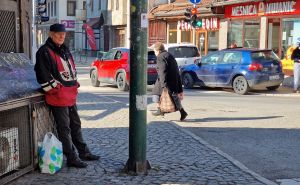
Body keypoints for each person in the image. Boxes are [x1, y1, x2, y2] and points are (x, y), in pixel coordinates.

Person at [34, 23, 100, 168]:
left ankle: (83, 152)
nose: (61, 37)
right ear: (51, 34)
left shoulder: (64, 50)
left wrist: (74, 84)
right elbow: (43, 75)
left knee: (76, 124)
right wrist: (57, 90)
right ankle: (71, 157)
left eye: (63, 34)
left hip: (69, 95)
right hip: (58, 97)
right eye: (58, 34)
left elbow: (71, 70)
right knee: (64, 128)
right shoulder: (44, 52)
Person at [151, 42, 188, 121]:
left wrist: (164, 84)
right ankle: (182, 112)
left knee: (156, 93)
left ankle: (160, 110)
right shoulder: (169, 55)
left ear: (158, 50)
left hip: (165, 80)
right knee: (173, 97)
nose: (154, 53)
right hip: (173, 79)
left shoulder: (160, 57)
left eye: (154, 51)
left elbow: (162, 70)